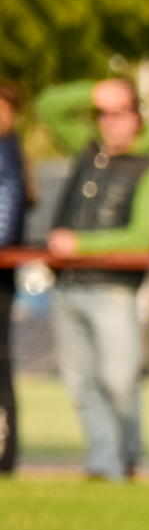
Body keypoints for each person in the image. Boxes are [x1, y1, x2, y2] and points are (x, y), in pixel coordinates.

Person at [36, 78, 149, 482]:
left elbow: (142, 237)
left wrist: (81, 243)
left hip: (112, 288)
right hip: (67, 287)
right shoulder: (88, 152)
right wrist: (96, 91)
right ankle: (102, 462)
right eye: (104, 114)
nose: (111, 123)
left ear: (138, 119)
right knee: (80, 382)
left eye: (120, 114)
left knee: (117, 381)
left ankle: (126, 457)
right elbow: (48, 105)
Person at [0, 82, 29, 475]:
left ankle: (6, 455)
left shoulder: (10, 154)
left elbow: (8, 210)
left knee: (1, 366)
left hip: (2, 275)